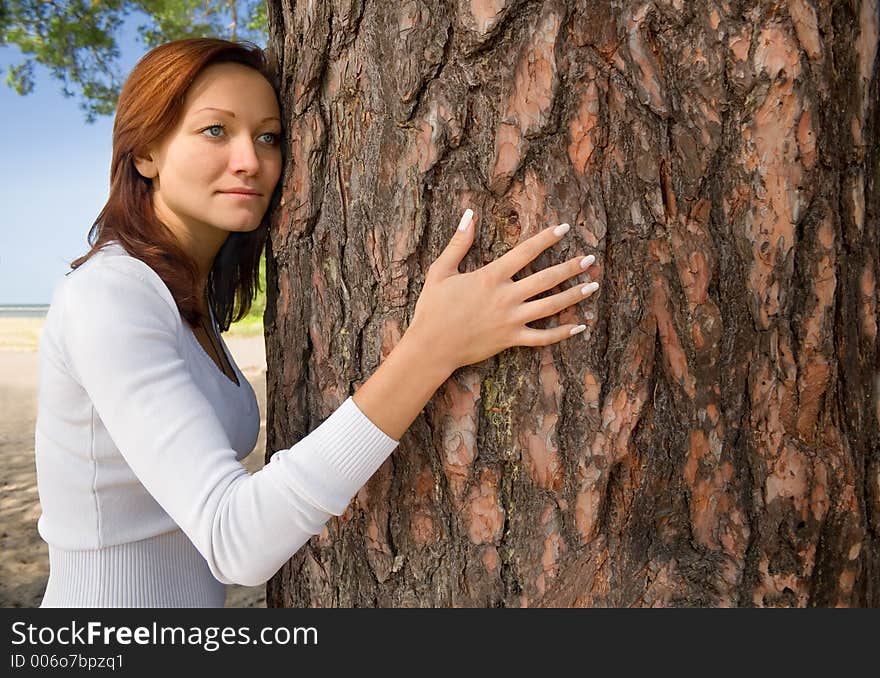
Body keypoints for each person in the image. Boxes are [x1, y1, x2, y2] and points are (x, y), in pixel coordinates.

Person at [34, 37, 601, 607]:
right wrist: (432, 347)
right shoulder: (109, 297)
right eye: (215, 131)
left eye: (268, 137)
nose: (250, 161)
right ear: (145, 153)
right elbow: (238, 541)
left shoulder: (179, 296)